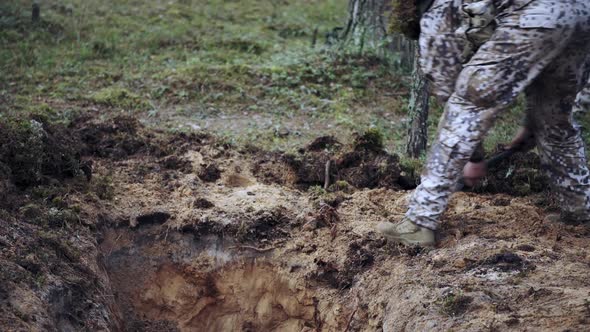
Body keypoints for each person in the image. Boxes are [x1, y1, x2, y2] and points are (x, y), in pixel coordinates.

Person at [378, 0, 590, 247]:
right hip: (581, 13)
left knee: (465, 106)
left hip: (538, 14)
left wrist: (474, 158)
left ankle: (419, 222)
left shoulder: (435, 10)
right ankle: (579, 211)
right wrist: (533, 125)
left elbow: (450, 91)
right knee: (555, 121)